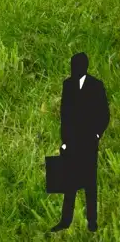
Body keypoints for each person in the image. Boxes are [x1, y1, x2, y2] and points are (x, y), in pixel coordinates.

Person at [56, 52, 109, 232]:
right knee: (69, 182)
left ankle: (92, 222)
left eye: (76, 66)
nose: (73, 69)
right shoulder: (68, 85)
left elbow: (104, 114)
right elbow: (65, 115)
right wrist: (64, 141)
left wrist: (96, 135)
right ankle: (65, 221)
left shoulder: (96, 86)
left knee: (89, 183)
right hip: (71, 142)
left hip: (88, 142)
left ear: (83, 67)